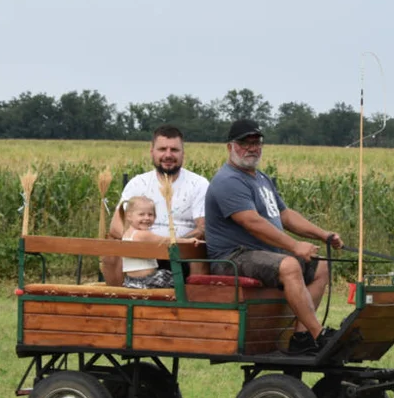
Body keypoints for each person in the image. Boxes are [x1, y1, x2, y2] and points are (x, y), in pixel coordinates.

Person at [205, 119, 344, 354]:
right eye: (244, 143)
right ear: (230, 147)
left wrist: (324, 235)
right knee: (289, 266)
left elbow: (284, 215)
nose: (251, 148)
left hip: (262, 254)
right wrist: (294, 245)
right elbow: (252, 222)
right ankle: (319, 334)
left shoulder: (261, 178)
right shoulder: (228, 181)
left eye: (256, 142)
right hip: (232, 258)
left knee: (320, 267)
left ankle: (301, 337)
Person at [102, 124, 209, 285]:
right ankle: (118, 300)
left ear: (182, 153)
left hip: (180, 253)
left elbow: (203, 228)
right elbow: (116, 226)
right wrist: (140, 240)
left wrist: (171, 244)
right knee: (110, 249)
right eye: (162, 149)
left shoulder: (198, 184)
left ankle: (192, 305)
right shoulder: (138, 183)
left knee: (199, 251)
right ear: (152, 151)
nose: (168, 155)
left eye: (174, 150)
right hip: (140, 250)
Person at [118, 196, 175, 289]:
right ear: (129, 216)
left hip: (130, 281)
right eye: (141, 214)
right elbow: (168, 240)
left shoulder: (127, 234)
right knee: (175, 277)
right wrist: (188, 240)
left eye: (150, 214)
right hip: (147, 282)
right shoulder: (142, 235)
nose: (147, 218)